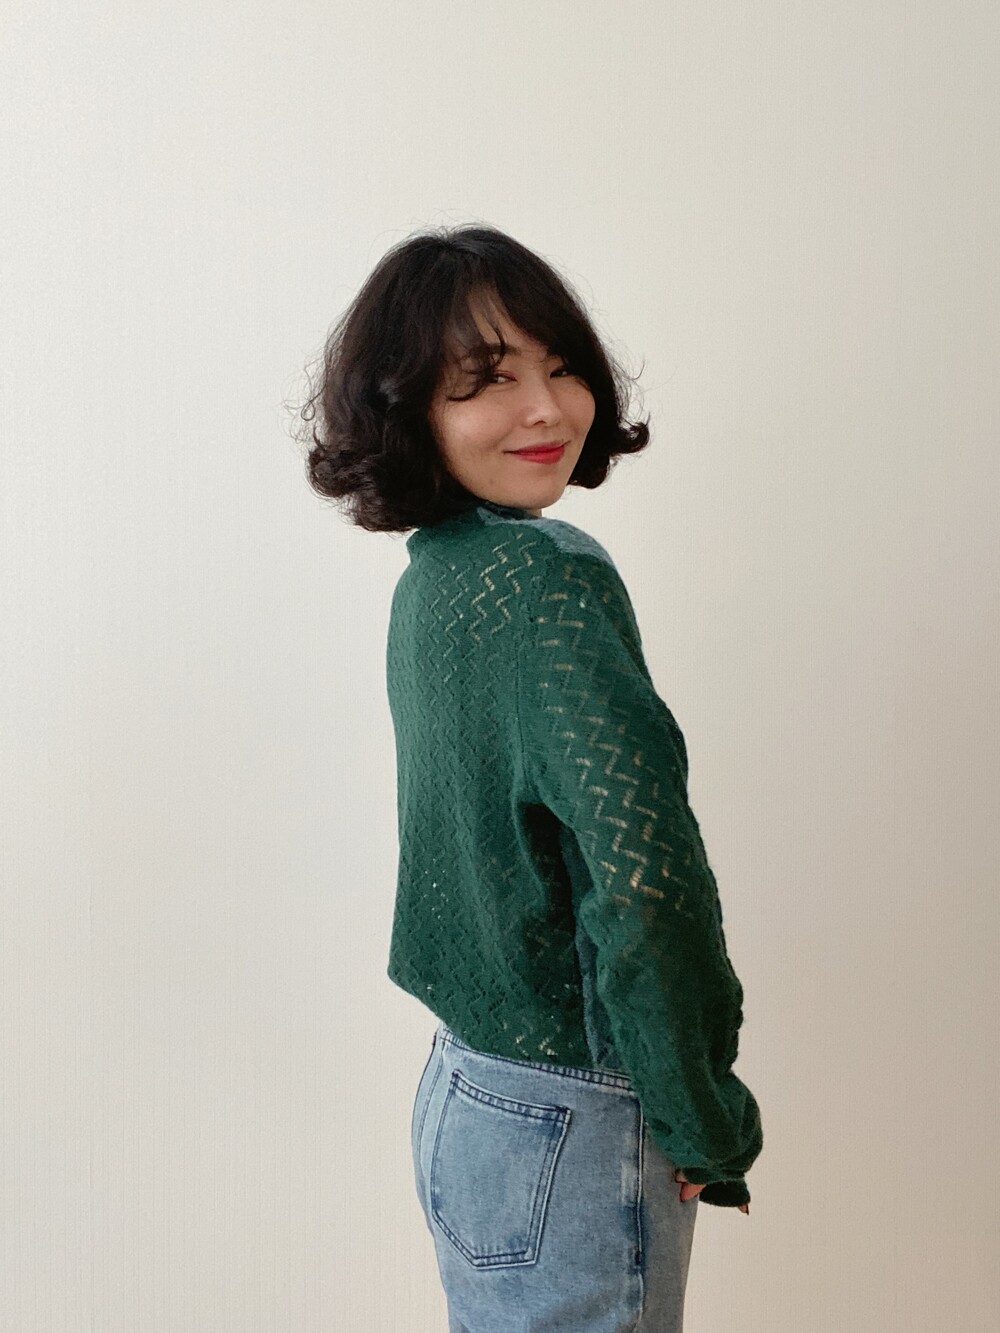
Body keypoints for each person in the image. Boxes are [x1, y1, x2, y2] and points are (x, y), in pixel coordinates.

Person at [297, 224, 762, 1331]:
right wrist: (704, 1116)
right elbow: (644, 881)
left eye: (561, 368)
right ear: (410, 406)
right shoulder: (548, 581)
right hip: (576, 1117)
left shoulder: (436, 575)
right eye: (489, 379)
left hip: (466, 1096)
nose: (548, 409)